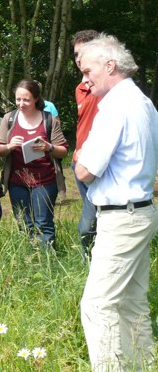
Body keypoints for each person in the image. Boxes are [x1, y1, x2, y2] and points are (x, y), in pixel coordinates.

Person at [74, 34, 158, 372]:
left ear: (110, 66)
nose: (85, 79)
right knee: (132, 303)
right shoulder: (143, 103)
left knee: (98, 305)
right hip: (140, 210)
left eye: (88, 70)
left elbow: (85, 168)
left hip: (121, 216)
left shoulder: (114, 106)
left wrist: (82, 160)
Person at [0, 80, 69, 250]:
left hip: (45, 180)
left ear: (36, 98)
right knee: (24, 223)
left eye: (26, 100)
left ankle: (47, 262)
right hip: (17, 181)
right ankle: (29, 259)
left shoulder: (48, 119)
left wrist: (48, 147)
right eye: (18, 99)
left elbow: (63, 150)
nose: (21, 104)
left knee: (43, 223)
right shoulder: (9, 118)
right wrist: (9, 146)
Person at [72, 29, 102, 257]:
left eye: (83, 53)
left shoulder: (105, 86)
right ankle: (92, 264)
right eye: (75, 54)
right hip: (77, 162)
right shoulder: (80, 89)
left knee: (88, 225)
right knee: (94, 217)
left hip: (98, 163)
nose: (78, 59)